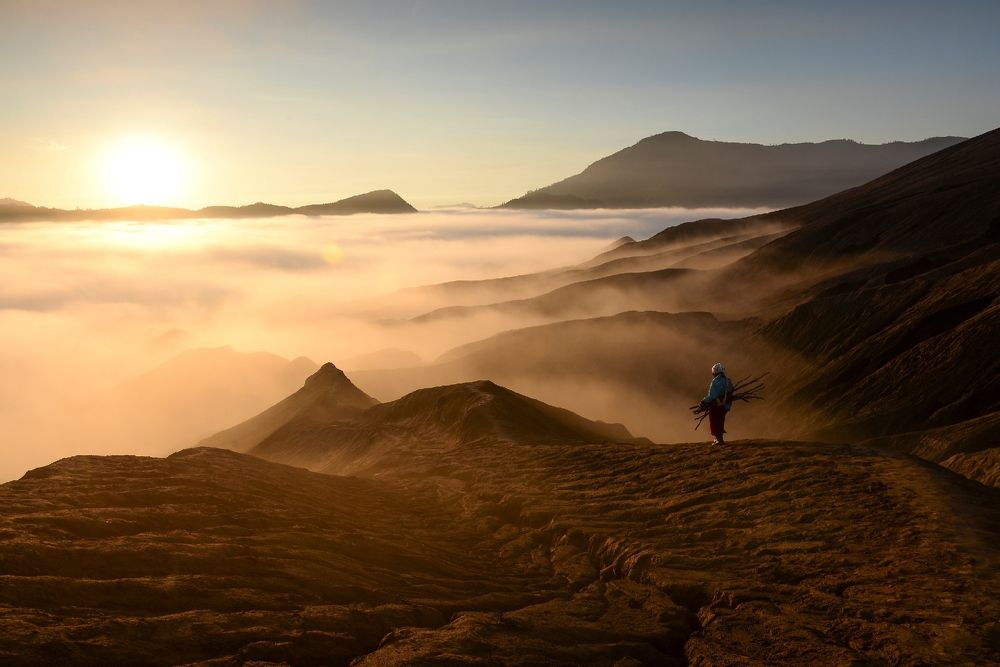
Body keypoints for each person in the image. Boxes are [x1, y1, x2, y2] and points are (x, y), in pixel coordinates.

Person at [701, 362, 734, 445]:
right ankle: (718, 438)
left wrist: (704, 401)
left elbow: (712, 395)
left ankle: (719, 439)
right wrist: (728, 406)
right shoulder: (728, 381)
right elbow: (730, 393)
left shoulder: (715, 381)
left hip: (716, 406)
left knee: (715, 422)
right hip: (724, 406)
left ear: (714, 372)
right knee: (720, 421)